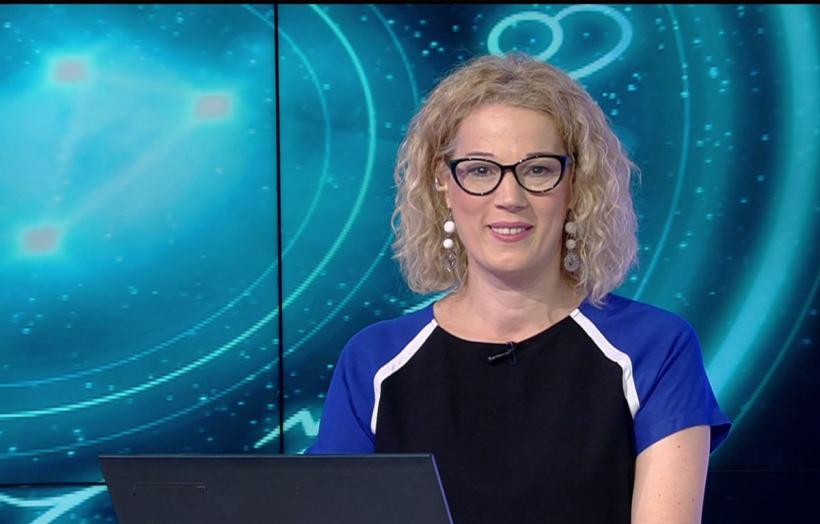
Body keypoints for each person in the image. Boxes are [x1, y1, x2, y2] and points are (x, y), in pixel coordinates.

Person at [307, 53, 731, 524]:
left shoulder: (656, 347)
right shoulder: (372, 360)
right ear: (444, 182)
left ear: (575, 184)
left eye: (537, 170)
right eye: (480, 170)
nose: (509, 197)